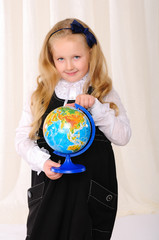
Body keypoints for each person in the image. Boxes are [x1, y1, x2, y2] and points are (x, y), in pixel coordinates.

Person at [15, 18, 131, 240]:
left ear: (91, 54)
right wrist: (42, 162)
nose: (69, 66)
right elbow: (21, 139)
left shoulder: (103, 92)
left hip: (90, 190)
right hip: (50, 188)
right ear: (51, 60)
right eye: (61, 59)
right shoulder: (40, 94)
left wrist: (96, 108)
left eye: (76, 57)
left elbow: (123, 136)